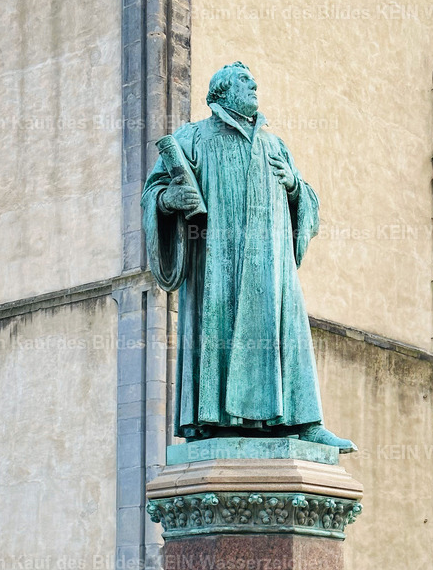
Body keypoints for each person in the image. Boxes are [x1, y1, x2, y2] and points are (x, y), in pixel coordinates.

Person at [142, 61, 355, 452]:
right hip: (215, 265)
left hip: (271, 266)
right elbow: (152, 192)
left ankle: (304, 422)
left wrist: (295, 187)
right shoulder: (193, 138)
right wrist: (170, 199)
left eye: (254, 81)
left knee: (288, 329)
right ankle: (214, 422)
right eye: (245, 81)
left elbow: (308, 203)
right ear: (222, 91)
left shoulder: (274, 144)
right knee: (218, 328)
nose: (254, 85)